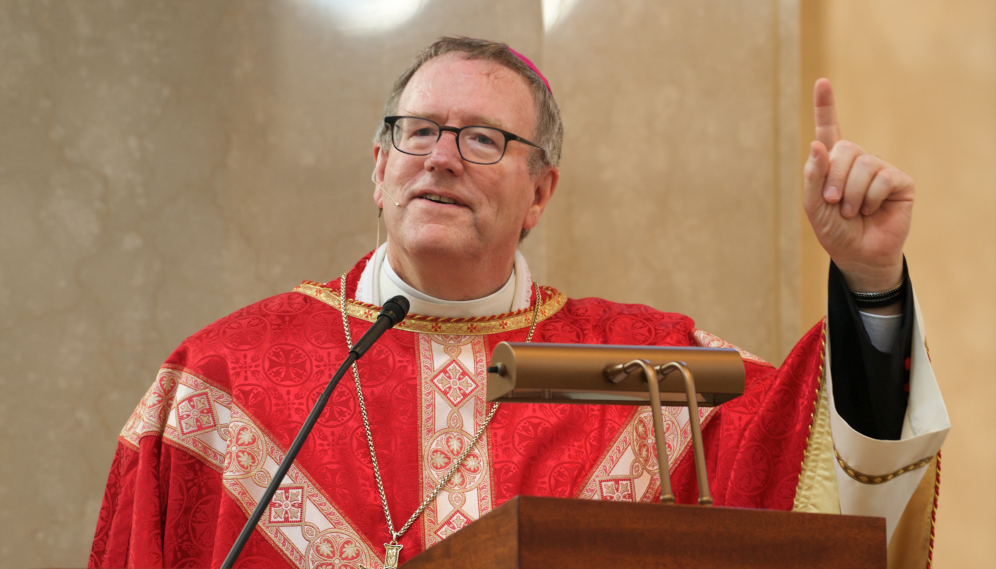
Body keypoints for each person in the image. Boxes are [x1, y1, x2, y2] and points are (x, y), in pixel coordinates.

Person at [89, 37, 948, 569]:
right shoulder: (216, 381)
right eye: (417, 131)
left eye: (484, 139)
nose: (441, 157)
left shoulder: (654, 370)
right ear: (378, 169)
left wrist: (870, 284)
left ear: (541, 192)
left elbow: (801, 458)